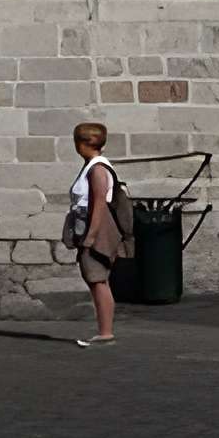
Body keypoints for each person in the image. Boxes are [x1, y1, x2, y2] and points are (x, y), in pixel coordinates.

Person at [65, 119, 126, 344]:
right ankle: (104, 330)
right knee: (96, 279)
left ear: (83, 143)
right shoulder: (93, 166)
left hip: (96, 229)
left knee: (97, 278)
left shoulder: (97, 169)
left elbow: (98, 203)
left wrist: (90, 236)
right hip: (91, 227)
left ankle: (106, 331)